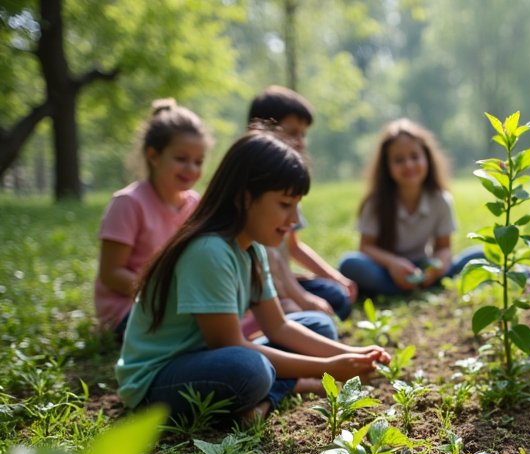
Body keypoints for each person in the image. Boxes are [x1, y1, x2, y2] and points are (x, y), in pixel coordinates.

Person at [116, 127, 390, 423]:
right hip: (158, 381)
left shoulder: (251, 248)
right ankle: (276, 392)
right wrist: (327, 367)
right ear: (245, 198)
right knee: (250, 369)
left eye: (296, 206)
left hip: (208, 358)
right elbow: (229, 344)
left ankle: (269, 396)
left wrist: (350, 354)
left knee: (319, 325)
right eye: (285, 205)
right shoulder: (208, 251)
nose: (294, 220)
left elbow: (279, 327)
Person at [94, 99, 210, 339]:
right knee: (196, 337)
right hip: (127, 308)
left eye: (198, 161)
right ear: (153, 156)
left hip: (177, 305)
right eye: (181, 158)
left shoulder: (195, 204)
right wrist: (165, 293)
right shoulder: (128, 203)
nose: (191, 168)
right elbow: (111, 273)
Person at [248, 85, 356, 321]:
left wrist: (334, 277)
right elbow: (267, 261)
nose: (300, 142)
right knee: (317, 319)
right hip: (262, 292)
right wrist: (303, 299)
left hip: (284, 283)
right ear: (260, 130)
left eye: (303, 135)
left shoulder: (289, 183)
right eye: (292, 132)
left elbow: (293, 247)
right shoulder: (254, 192)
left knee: (336, 296)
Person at [339, 118, 481, 297]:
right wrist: (393, 263)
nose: (409, 165)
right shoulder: (375, 203)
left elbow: (444, 248)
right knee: (350, 263)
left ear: (427, 158)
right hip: (387, 271)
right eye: (399, 160)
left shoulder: (440, 200)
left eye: (415, 157)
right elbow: (365, 248)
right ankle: (412, 289)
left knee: (480, 255)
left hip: (423, 266)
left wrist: (435, 268)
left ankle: (410, 288)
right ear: (387, 166)